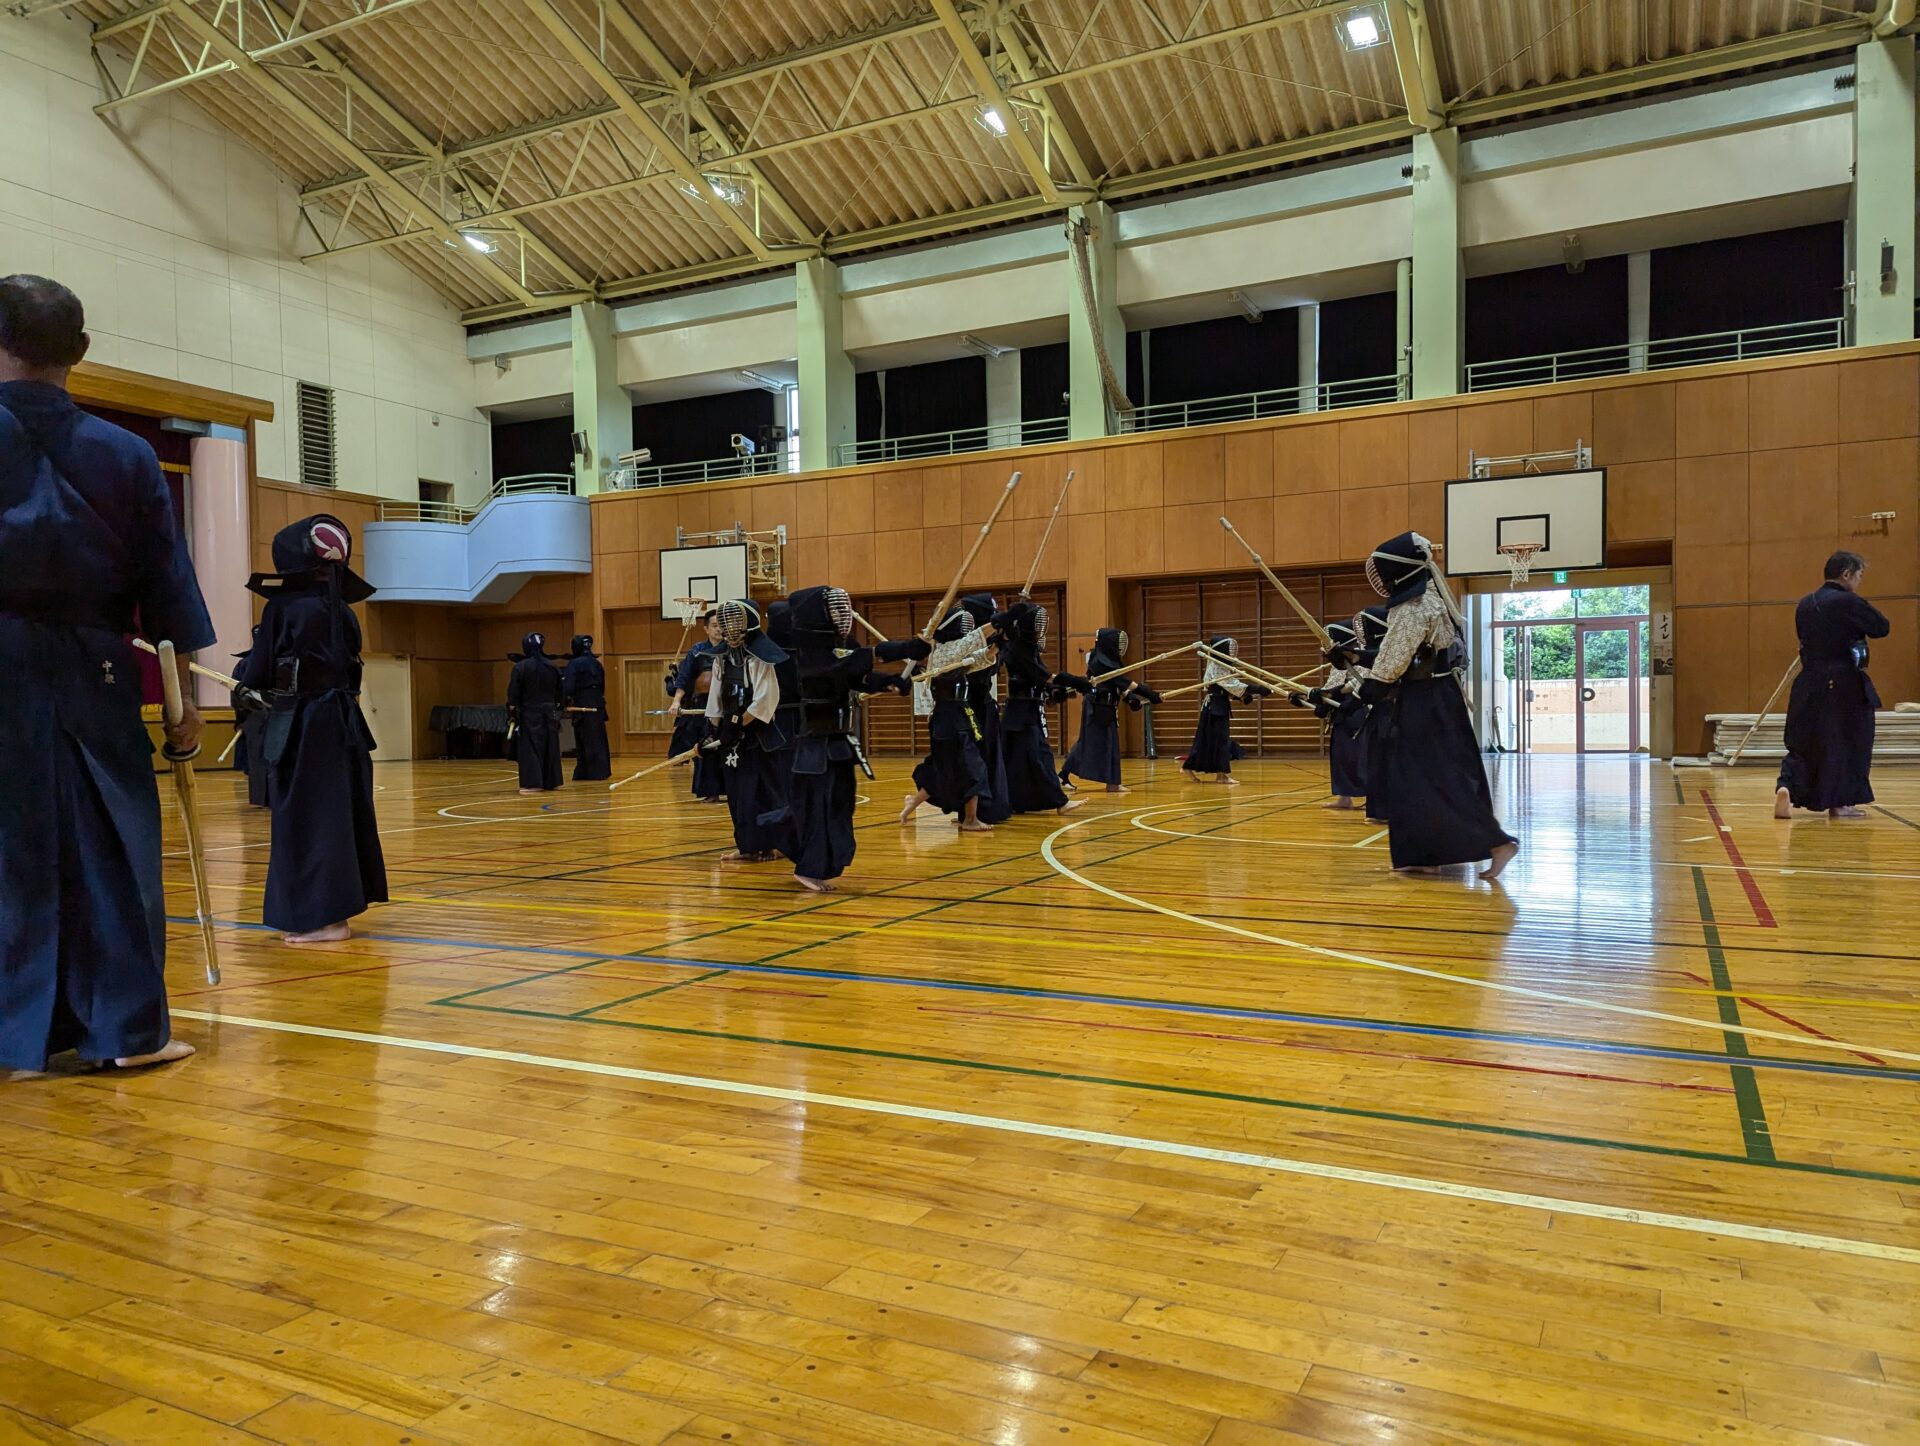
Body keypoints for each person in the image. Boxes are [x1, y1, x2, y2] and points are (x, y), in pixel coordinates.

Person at [0, 273, 207, 1070]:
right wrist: (181, 699)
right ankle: (123, 1033)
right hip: (100, 673)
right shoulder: (129, 456)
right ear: (80, 352)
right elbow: (166, 584)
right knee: (113, 852)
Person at [238, 513, 390, 943]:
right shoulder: (343, 612)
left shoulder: (283, 608)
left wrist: (246, 681)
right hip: (343, 723)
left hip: (303, 724)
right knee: (337, 815)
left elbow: (261, 669)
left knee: (303, 818)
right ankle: (335, 916)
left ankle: (320, 920)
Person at [1352, 531, 1517, 881]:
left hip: (1425, 703)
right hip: (1435, 699)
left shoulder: (1412, 606)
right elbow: (1406, 653)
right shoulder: (1429, 598)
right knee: (1421, 781)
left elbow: (1395, 660)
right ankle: (1427, 855)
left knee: (1434, 779)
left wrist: (1366, 691)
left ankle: (1496, 842)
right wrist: (1354, 656)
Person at [766, 585, 926, 890]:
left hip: (838, 741)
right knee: (817, 806)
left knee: (840, 804)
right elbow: (844, 664)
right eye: (834, 610)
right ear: (817, 614)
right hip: (814, 743)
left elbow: (857, 676)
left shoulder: (838, 646)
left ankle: (821, 863)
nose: (842, 616)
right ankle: (808, 867)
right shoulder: (805, 651)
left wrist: (891, 682)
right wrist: (902, 649)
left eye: (843, 609)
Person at [1774, 550, 1890, 820]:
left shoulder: (1805, 603)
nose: (1860, 581)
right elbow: (1882, 627)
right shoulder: (1847, 602)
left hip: (1808, 681)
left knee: (1802, 741)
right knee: (1849, 740)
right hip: (1843, 683)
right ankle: (1841, 803)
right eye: (1859, 575)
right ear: (1846, 574)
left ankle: (1786, 787)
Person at [705, 598, 789, 861]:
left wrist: (738, 724)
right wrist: (714, 729)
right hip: (732, 739)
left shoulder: (760, 658)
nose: (728, 629)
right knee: (738, 795)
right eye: (725, 623)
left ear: (748, 624)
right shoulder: (722, 658)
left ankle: (774, 845)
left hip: (758, 736)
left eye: (734, 623)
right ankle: (748, 846)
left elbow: (765, 699)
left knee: (763, 793)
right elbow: (716, 696)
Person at [902, 605, 996, 831]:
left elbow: (980, 658)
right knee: (972, 769)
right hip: (947, 719)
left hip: (960, 716)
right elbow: (971, 642)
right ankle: (970, 820)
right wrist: (999, 623)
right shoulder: (942, 653)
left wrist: (1000, 642)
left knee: (948, 769)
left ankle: (913, 803)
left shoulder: (954, 656)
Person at [995, 598, 1089, 815]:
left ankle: (1018, 802)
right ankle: (1060, 802)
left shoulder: (1026, 647)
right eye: (1037, 622)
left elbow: (1040, 680)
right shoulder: (1018, 648)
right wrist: (1075, 681)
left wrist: (1057, 691)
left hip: (1025, 710)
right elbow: (1044, 676)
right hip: (1021, 713)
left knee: (1019, 760)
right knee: (1038, 757)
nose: (1041, 627)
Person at [1060, 628, 1160, 795]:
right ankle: (1111, 783)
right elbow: (1122, 681)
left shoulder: (1109, 662)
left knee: (1099, 742)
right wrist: (1149, 693)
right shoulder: (1099, 662)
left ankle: (1107, 782)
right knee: (1090, 742)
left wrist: (1130, 698)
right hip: (1097, 706)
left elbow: (1116, 685)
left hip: (1106, 705)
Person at [1295, 619, 1369, 810]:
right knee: (1340, 754)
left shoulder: (1361, 658)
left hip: (1359, 709)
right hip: (1341, 712)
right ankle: (1344, 798)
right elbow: (1329, 688)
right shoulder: (1339, 663)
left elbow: (1359, 685)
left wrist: (1329, 695)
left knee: (1359, 755)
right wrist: (1306, 698)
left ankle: (1373, 797)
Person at [1182, 636, 1270, 785]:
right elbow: (1231, 685)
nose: (1232, 652)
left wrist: (1244, 696)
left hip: (1218, 705)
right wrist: (1258, 689)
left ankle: (1209, 772)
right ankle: (1220, 775)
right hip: (1214, 708)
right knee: (1219, 741)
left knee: (1214, 741)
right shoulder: (1216, 666)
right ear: (1221, 650)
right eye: (1229, 649)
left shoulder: (1222, 666)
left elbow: (1226, 689)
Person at [959, 592, 1011, 824]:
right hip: (968, 708)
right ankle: (971, 813)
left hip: (983, 705)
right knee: (973, 760)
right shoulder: (961, 644)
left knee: (987, 756)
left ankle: (988, 808)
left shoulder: (989, 641)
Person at [666, 610, 726, 803]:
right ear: (706, 628)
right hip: (703, 706)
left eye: (722, 625)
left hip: (727, 704)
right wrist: (676, 701)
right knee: (706, 747)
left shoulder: (732, 648)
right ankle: (711, 790)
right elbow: (683, 679)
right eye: (715, 625)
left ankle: (731, 789)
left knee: (726, 746)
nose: (719, 629)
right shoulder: (697, 650)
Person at [506, 631, 564, 794]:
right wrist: (558, 709)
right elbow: (561, 692)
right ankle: (551, 781)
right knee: (550, 744)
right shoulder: (553, 667)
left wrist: (512, 710)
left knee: (530, 747)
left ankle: (533, 783)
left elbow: (513, 694)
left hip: (530, 711)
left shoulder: (521, 667)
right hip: (550, 711)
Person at [1354, 605, 1392, 823]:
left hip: (1394, 714)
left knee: (1387, 762)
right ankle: (1379, 809)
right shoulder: (1373, 654)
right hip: (1379, 715)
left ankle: (1391, 809)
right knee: (1376, 762)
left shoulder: (1393, 649)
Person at [562, 633, 610, 782]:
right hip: (597, 703)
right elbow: (602, 686)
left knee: (585, 738)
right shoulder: (597, 663)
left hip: (583, 703)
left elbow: (568, 687)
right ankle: (601, 771)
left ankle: (588, 772)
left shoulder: (575, 664)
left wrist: (564, 699)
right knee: (598, 737)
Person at [232, 624, 270, 808]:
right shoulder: (246, 664)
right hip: (256, 716)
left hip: (272, 713)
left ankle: (267, 799)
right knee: (258, 761)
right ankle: (264, 799)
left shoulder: (271, 660)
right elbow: (236, 693)